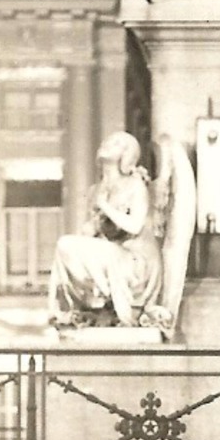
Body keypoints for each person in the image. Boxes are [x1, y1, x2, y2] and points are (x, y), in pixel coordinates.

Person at [48, 132, 164, 328]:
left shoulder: (135, 185)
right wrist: (90, 229)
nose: (109, 143)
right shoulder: (96, 190)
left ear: (127, 155)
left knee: (105, 252)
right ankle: (63, 308)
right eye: (109, 140)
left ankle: (116, 304)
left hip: (135, 262)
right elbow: (96, 233)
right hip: (111, 254)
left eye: (117, 143)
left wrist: (105, 207)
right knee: (64, 244)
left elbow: (135, 226)